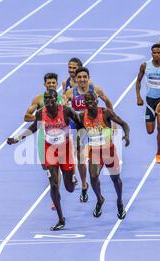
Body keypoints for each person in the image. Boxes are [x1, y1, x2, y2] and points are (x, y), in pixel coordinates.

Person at [8, 89, 82, 231]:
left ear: (57, 100)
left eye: (51, 99)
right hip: (50, 150)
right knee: (53, 185)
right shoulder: (40, 113)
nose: (48, 101)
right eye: (46, 99)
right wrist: (17, 138)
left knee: (70, 188)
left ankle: (72, 178)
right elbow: (34, 127)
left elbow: (80, 124)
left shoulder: (66, 111)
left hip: (65, 149)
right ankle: (61, 219)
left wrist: (80, 139)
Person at [64, 67, 114, 203]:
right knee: (79, 156)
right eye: (79, 77)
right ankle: (84, 185)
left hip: (93, 125)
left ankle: (94, 173)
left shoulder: (95, 90)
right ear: (75, 79)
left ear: (88, 77)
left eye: (84, 77)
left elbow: (108, 102)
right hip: (78, 126)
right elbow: (62, 107)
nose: (82, 80)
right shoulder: (70, 92)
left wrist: (111, 123)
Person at [79, 92, 130, 219]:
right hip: (94, 151)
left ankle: (119, 201)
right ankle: (100, 199)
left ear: (97, 101)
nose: (90, 103)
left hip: (109, 151)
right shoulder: (81, 116)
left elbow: (124, 124)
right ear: (84, 103)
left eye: (93, 100)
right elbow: (79, 132)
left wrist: (127, 135)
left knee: (115, 179)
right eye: (87, 101)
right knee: (93, 176)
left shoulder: (106, 113)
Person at [23, 73, 67, 210]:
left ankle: (56, 194)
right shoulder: (39, 99)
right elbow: (26, 116)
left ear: (57, 83)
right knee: (47, 167)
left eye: (54, 83)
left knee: (58, 168)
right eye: (49, 83)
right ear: (45, 85)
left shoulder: (63, 98)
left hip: (61, 138)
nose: (51, 85)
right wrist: (41, 120)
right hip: (44, 138)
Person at [136, 43, 160, 163]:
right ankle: (159, 134)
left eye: (158, 52)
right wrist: (138, 97)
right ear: (151, 54)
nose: (156, 54)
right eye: (154, 53)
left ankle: (158, 153)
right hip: (149, 101)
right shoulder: (145, 66)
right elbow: (138, 81)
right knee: (150, 131)